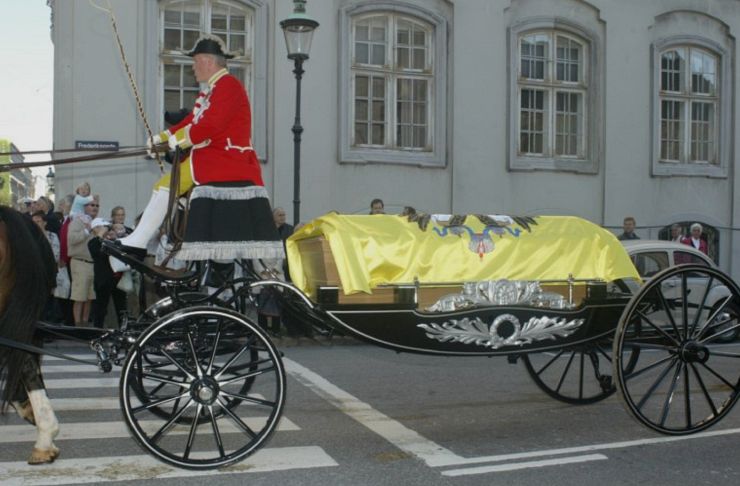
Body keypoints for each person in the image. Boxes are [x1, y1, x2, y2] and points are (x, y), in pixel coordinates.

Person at [110, 34, 282, 268]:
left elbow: (211, 125)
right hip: (215, 158)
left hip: (226, 160)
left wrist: (176, 142)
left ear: (207, 61)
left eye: (195, 61)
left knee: (166, 185)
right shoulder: (212, 90)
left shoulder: (228, 85)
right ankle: (139, 240)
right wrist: (161, 138)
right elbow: (191, 121)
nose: (193, 67)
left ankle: (138, 242)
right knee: (164, 186)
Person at [88, 218, 128, 329]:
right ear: (95, 229)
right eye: (105, 227)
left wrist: (118, 233)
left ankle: (124, 330)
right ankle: (98, 330)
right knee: (100, 308)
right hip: (103, 280)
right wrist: (101, 233)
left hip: (118, 279)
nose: (108, 230)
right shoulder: (94, 242)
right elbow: (95, 250)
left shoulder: (116, 241)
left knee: (121, 308)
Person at [67, 196, 100, 325]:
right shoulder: (77, 221)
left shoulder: (97, 222)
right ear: (85, 207)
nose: (95, 208)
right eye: (92, 205)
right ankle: (77, 325)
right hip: (80, 262)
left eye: (97, 206)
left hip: (93, 264)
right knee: (79, 297)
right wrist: (87, 230)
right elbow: (72, 239)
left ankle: (85, 323)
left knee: (90, 297)